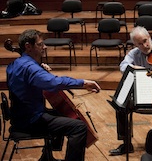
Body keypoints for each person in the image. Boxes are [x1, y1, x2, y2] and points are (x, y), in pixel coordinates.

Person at [6, 29, 102, 161]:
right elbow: (53, 83)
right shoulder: (30, 68)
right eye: (40, 44)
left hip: (20, 115)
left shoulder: (15, 64)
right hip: (30, 121)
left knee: (62, 114)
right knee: (79, 127)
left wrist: (39, 68)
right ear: (28, 46)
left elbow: (28, 80)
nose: (44, 47)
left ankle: (47, 157)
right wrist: (83, 83)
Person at [110, 26, 152, 156]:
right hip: (141, 93)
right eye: (140, 43)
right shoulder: (134, 53)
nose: (145, 45)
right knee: (121, 107)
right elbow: (123, 66)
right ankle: (126, 144)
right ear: (135, 45)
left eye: (146, 40)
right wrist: (136, 67)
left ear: (149, 37)